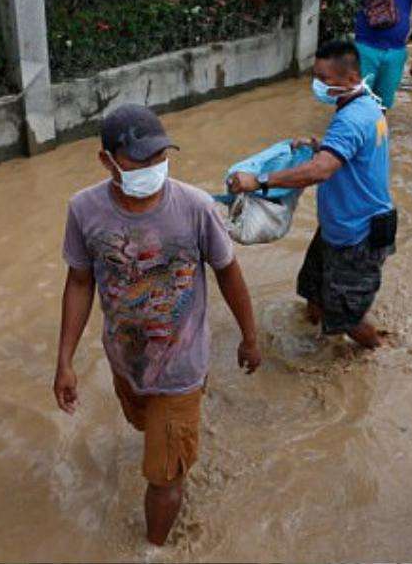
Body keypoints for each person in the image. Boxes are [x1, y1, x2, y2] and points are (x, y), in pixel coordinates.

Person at [55, 104, 262, 546]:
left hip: (181, 369)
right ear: (107, 162)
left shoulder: (195, 207)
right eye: (140, 161)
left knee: (164, 479)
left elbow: (229, 272)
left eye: (160, 157)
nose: (154, 168)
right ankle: (169, 446)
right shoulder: (83, 210)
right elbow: (78, 281)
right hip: (125, 360)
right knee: (141, 424)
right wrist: (65, 361)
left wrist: (250, 337)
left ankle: (153, 550)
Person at [227, 40, 396, 350]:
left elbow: (321, 171)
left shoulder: (351, 119)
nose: (318, 85)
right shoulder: (366, 105)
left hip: (357, 234)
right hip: (339, 226)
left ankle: (379, 354)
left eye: (325, 79)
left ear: (351, 78)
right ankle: (317, 345)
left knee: (348, 317)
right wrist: (320, 144)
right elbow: (347, 153)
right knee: (313, 293)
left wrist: (259, 180)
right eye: (316, 76)